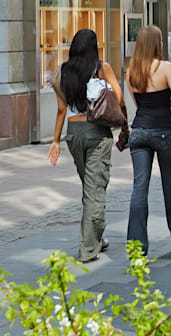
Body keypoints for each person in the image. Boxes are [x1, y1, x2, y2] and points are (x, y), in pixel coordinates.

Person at [47, 29, 127, 263]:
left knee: (89, 189)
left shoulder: (61, 72)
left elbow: (62, 109)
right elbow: (120, 98)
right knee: (95, 190)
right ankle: (88, 250)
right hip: (96, 132)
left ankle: (96, 239)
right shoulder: (103, 68)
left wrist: (55, 141)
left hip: (73, 135)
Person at [125, 25, 171, 256]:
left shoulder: (131, 70)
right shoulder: (166, 67)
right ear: (156, 44)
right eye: (161, 41)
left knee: (138, 189)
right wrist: (169, 99)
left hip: (139, 130)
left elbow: (139, 104)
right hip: (163, 131)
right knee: (169, 187)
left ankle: (136, 248)